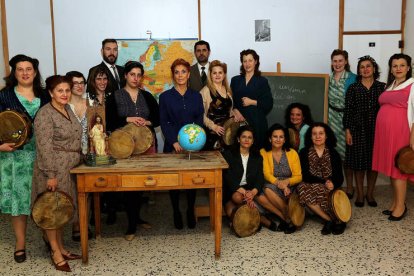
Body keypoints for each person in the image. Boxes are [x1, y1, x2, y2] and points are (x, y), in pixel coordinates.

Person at [0, 54, 48, 263]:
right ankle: (20, 243)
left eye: (29, 69)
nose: (25, 73)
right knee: (18, 203)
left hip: (42, 157)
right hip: (14, 159)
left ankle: (49, 236)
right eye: (20, 69)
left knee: (44, 199)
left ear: (35, 72)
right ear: (14, 72)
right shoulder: (4, 96)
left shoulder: (46, 95)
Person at [31, 75, 82, 272]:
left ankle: (61, 246)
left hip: (69, 168)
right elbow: (44, 147)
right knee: (51, 211)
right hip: (52, 169)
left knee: (62, 210)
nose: (65, 94)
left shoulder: (67, 108)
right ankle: (55, 252)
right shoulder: (45, 114)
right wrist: (51, 175)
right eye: (60, 91)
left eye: (67, 90)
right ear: (51, 92)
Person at [114, 61, 160, 240]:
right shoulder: (115, 96)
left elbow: (156, 119)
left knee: (141, 184)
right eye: (132, 74)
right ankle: (131, 225)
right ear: (125, 75)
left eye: (139, 75)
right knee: (129, 185)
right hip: (124, 148)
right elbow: (109, 121)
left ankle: (137, 218)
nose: (135, 78)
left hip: (146, 146)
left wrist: (145, 121)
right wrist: (128, 118)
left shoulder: (147, 96)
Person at [222, 125, 295, 233]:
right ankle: (268, 223)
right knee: (236, 202)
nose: (246, 140)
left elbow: (259, 177)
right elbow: (227, 177)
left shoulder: (257, 156)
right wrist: (243, 192)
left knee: (252, 200)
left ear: (253, 141)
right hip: (233, 189)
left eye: (250, 137)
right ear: (238, 139)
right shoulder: (228, 154)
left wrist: (253, 192)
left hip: (250, 188)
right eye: (244, 137)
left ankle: (281, 218)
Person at [159, 58, 204, 229]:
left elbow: (199, 119)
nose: (180, 75)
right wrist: (174, 141)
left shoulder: (196, 96)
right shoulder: (165, 97)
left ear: (188, 74)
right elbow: (164, 122)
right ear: (173, 75)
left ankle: (189, 211)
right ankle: (176, 211)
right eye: (176, 72)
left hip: (192, 146)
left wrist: (193, 140)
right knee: (174, 181)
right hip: (173, 146)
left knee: (192, 180)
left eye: (183, 71)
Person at [372, 53, 414, 221]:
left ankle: (401, 206)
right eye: (395, 65)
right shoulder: (390, 85)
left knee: (399, 169)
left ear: (408, 68)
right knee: (391, 169)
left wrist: (413, 137)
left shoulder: (412, 85)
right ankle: (396, 203)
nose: (398, 68)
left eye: (402, 65)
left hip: (401, 132)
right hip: (386, 134)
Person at [343, 56, 385, 208]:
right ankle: (360, 194)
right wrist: (348, 132)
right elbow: (348, 111)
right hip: (357, 130)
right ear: (358, 70)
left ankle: (370, 193)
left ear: (374, 69)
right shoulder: (353, 88)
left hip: (377, 130)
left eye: (368, 66)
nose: (365, 69)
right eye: (362, 67)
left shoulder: (382, 87)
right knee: (359, 164)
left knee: (373, 164)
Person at [297, 123, 345, 235]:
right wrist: (324, 182)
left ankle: (339, 219)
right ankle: (329, 220)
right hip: (311, 183)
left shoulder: (334, 153)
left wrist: (333, 183)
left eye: (321, 133)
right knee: (302, 188)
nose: (318, 136)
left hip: (330, 185)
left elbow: (339, 176)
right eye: (314, 134)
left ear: (326, 136)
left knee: (329, 191)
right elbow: (305, 175)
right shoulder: (304, 152)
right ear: (310, 136)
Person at [87, 66, 120, 224]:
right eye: (98, 79)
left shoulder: (112, 97)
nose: (102, 82)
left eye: (105, 79)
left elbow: (117, 119)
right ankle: (95, 213)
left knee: (111, 178)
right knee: (96, 180)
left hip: (110, 142)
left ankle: (112, 210)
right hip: (94, 143)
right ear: (93, 81)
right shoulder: (87, 98)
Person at [260, 123, 302, 233]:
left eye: (281, 137)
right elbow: (266, 174)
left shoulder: (292, 153)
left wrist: (286, 183)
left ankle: (286, 218)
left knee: (268, 190)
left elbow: (298, 176)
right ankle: (286, 216)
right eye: (275, 136)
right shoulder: (263, 152)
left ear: (284, 140)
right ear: (270, 139)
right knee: (263, 190)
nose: (278, 139)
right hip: (272, 184)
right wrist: (280, 184)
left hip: (290, 186)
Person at [327, 49, 356, 199]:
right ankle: (336, 186)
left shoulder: (353, 78)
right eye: (335, 61)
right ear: (331, 62)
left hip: (347, 119)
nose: (337, 64)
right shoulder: (328, 78)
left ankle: (350, 188)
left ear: (346, 61)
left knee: (348, 156)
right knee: (333, 156)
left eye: (340, 60)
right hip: (331, 119)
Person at [231, 49, 273, 148]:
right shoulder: (235, 80)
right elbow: (230, 100)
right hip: (239, 123)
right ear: (242, 63)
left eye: (250, 60)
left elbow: (268, 103)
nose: (247, 64)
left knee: (256, 154)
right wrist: (235, 110)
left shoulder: (262, 81)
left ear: (256, 61)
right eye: (244, 61)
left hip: (257, 123)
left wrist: (252, 102)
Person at [200, 60, 233, 151]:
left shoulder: (228, 90)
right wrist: (213, 127)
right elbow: (200, 114)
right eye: (214, 73)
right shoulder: (205, 91)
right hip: (211, 136)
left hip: (226, 136)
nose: (217, 75)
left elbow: (229, 111)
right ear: (210, 75)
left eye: (220, 72)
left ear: (224, 74)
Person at [66, 71, 88, 155]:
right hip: (69, 153)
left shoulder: (91, 104)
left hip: (90, 152)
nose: (80, 86)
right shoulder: (63, 106)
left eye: (82, 83)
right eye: (75, 83)